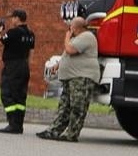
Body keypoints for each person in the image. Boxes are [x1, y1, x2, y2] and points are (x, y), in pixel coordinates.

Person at [39, 14, 102, 142]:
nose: (69, 30)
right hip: (72, 78)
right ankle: (54, 131)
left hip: (82, 78)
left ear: (76, 27)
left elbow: (70, 50)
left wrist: (67, 37)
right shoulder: (77, 38)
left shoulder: (87, 36)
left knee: (77, 106)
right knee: (64, 106)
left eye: (71, 27)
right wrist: (58, 65)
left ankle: (72, 134)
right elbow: (66, 54)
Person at [0, 9, 36, 134]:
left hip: (12, 66)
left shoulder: (13, 32)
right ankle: (19, 124)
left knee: (7, 94)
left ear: (18, 18)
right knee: (20, 95)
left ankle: (12, 124)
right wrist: (26, 66)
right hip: (24, 65)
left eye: (13, 18)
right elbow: (31, 52)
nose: (11, 20)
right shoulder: (30, 34)